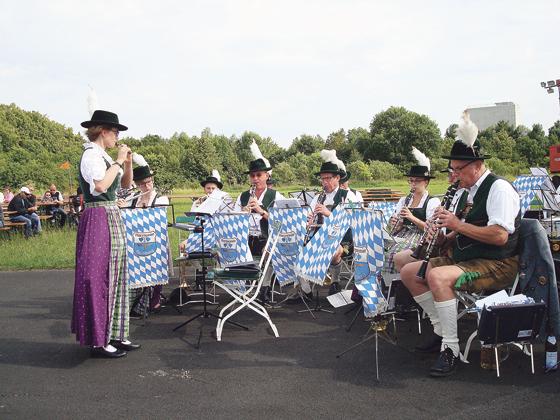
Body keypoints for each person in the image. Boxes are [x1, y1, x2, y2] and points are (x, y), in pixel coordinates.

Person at [399, 112, 520, 377]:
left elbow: (500, 236)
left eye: (458, 169)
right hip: (469, 257)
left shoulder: (498, 189)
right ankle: (441, 329)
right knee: (409, 271)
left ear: (476, 166)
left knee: (439, 277)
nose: (453, 175)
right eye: (453, 169)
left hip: (497, 263)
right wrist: (442, 236)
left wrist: (457, 225)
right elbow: (462, 232)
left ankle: (451, 349)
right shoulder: (468, 192)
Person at [71, 109, 140, 358]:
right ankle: (99, 341)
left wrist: (127, 163)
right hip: (98, 217)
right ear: (102, 131)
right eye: (115, 131)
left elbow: (123, 184)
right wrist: (119, 160)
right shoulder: (91, 155)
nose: (118, 137)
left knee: (117, 276)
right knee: (99, 277)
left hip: (111, 215)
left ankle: (116, 334)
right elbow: (100, 186)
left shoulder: (105, 157)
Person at [289, 149, 358, 301]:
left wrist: (328, 213)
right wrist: (307, 222)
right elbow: (309, 217)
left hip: (343, 239)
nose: (324, 182)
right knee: (294, 250)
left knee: (333, 251)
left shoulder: (348, 196)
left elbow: (353, 220)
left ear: (337, 178)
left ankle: (335, 281)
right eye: (322, 179)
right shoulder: (318, 197)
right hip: (319, 236)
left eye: (328, 178)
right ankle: (306, 290)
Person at [233, 141, 285, 303]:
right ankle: (241, 285)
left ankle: (265, 288)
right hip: (247, 237)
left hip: (267, 237)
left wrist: (262, 212)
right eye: (252, 175)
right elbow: (234, 221)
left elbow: (281, 224)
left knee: (269, 249)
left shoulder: (277, 196)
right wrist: (243, 213)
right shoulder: (243, 196)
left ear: (267, 176)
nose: (255, 179)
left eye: (259, 175)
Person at [380, 148, 440, 284]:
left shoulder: (432, 201)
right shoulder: (404, 200)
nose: (413, 184)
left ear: (426, 182)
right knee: (379, 251)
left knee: (391, 255)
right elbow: (395, 227)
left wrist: (412, 217)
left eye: (417, 181)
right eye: (411, 181)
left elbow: (431, 229)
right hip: (403, 234)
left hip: (420, 237)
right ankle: (385, 287)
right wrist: (397, 222)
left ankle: (397, 288)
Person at [128, 154, 170, 317]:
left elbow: (161, 220)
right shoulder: (133, 199)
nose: (147, 186)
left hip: (156, 241)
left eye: (149, 182)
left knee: (157, 267)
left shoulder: (160, 198)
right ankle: (138, 302)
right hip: (136, 241)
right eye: (143, 183)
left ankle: (154, 300)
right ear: (137, 184)